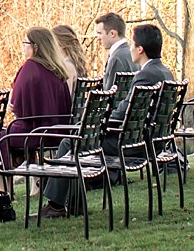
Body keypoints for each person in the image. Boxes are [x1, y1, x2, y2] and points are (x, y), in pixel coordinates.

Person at [43, 23, 175, 216]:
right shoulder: (165, 72)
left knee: (69, 142)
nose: (130, 48)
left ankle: (56, 205)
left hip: (132, 145)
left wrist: (97, 124)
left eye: (132, 44)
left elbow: (123, 112)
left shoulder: (145, 75)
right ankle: (72, 204)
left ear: (140, 49)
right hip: (152, 141)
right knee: (75, 142)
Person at [0, 27, 73, 176]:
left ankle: (5, 184)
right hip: (59, 132)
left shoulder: (30, 67)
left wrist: (10, 106)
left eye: (25, 43)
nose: (22, 46)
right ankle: (30, 174)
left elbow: (17, 107)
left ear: (35, 46)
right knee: (3, 135)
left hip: (35, 133)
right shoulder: (58, 70)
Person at [94, 12, 133, 89]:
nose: (98, 38)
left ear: (112, 33)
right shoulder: (132, 53)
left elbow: (109, 94)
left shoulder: (117, 58)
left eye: (100, 33)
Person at [53, 24, 90, 89]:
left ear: (62, 44)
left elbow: (66, 97)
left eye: (52, 41)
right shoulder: (76, 64)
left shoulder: (67, 66)